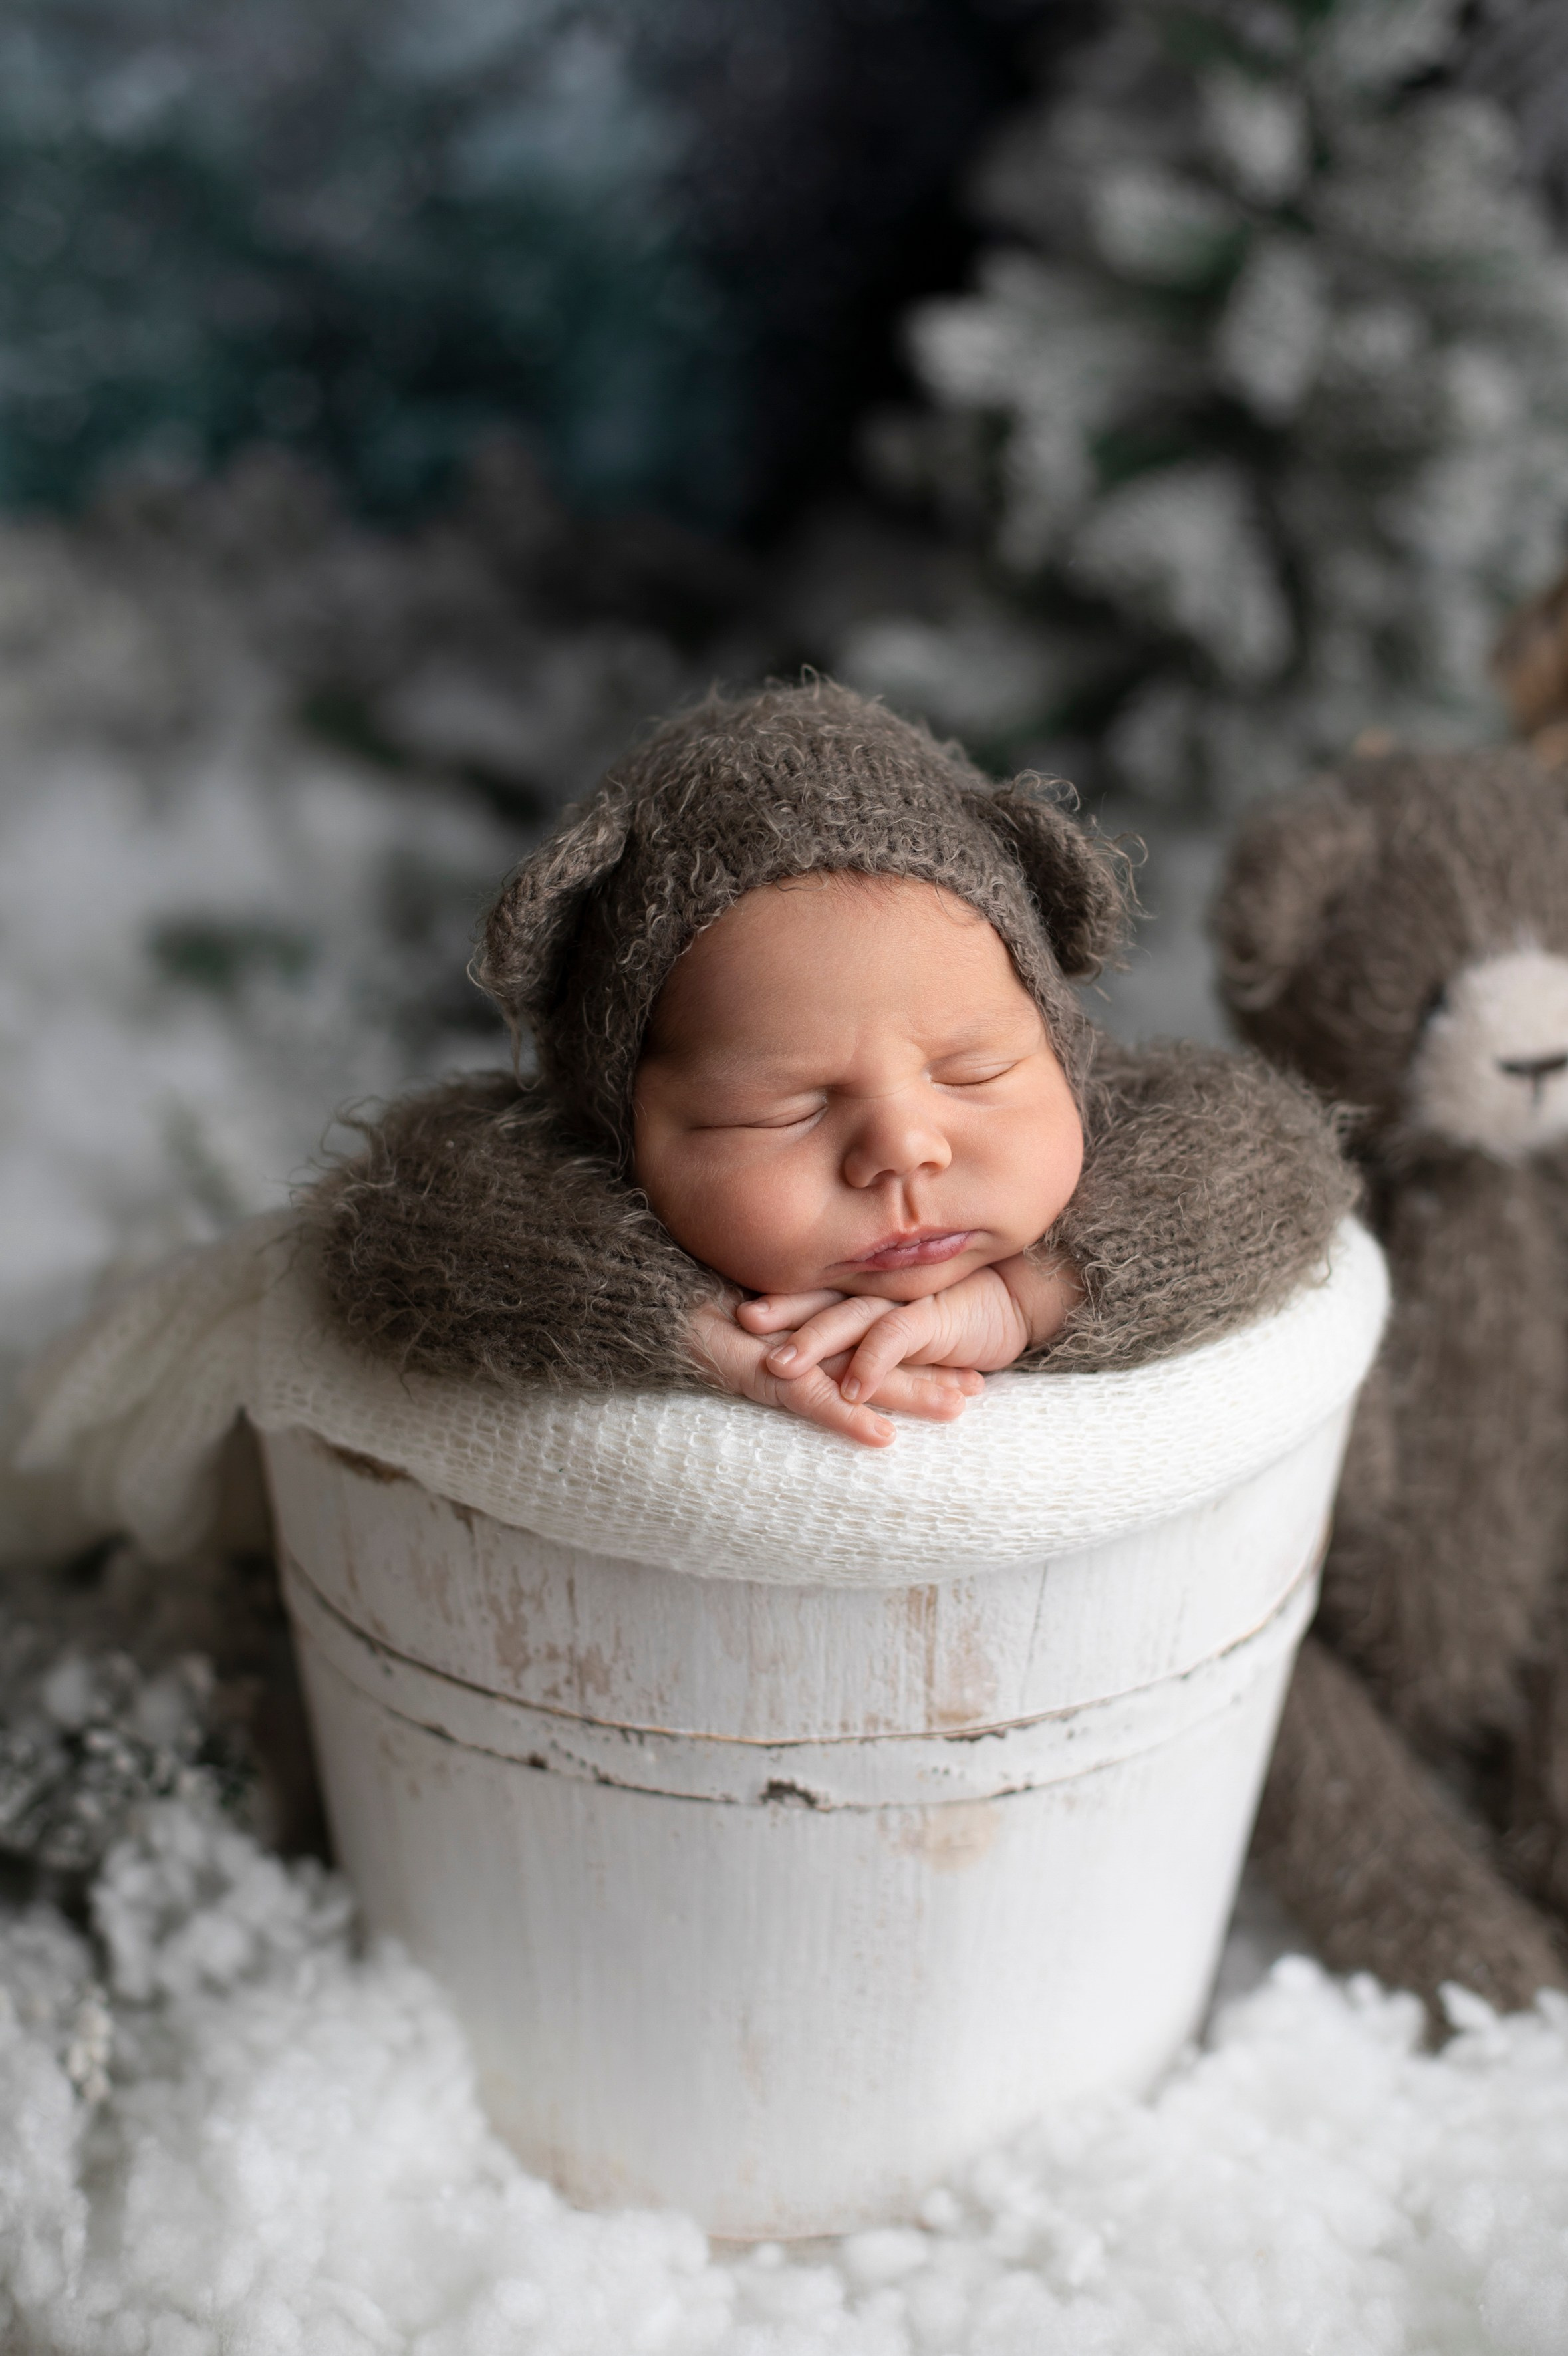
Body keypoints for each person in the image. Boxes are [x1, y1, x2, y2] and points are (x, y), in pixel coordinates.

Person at [311, 680, 1352, 1426]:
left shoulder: (1122, 1139)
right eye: (784, 1109)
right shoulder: (572, 1179)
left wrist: (1023, 1298)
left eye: (973, 1072)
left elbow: (1277, 1157)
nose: (904, 1150)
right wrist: (669, 1318)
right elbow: (400, 1208)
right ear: (617, 1121)